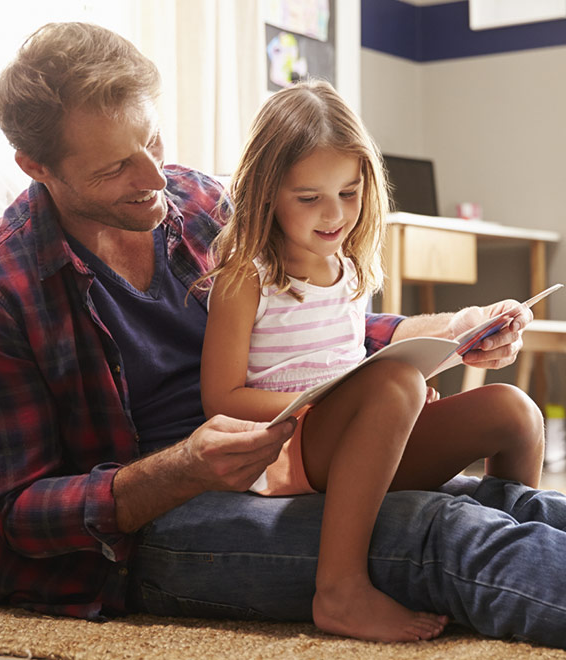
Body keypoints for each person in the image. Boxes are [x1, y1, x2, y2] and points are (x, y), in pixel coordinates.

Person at [0, 22, 566, 659]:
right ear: (35, 167)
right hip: (158, 526)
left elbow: (312, 329)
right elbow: (21, 515)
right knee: (444, 530)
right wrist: (179, 469)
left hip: (299, 449)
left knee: (521, 508)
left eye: (153, 140)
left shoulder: (199, 203)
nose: (154, 175)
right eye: (115, 167)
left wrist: (444, 332)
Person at [197, 80, 544, 642]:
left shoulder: (352, 270)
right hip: (289, 450)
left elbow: (352, 360)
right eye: (309, 198)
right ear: (266, 194)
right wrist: (347, 402)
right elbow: (221, 400)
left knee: (514, 411)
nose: (334, 214)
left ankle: (515, 559)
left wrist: (398, 399)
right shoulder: (246, 277)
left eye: (349, 192)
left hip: (356, 441)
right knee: (394, 383)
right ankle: (339, 589)